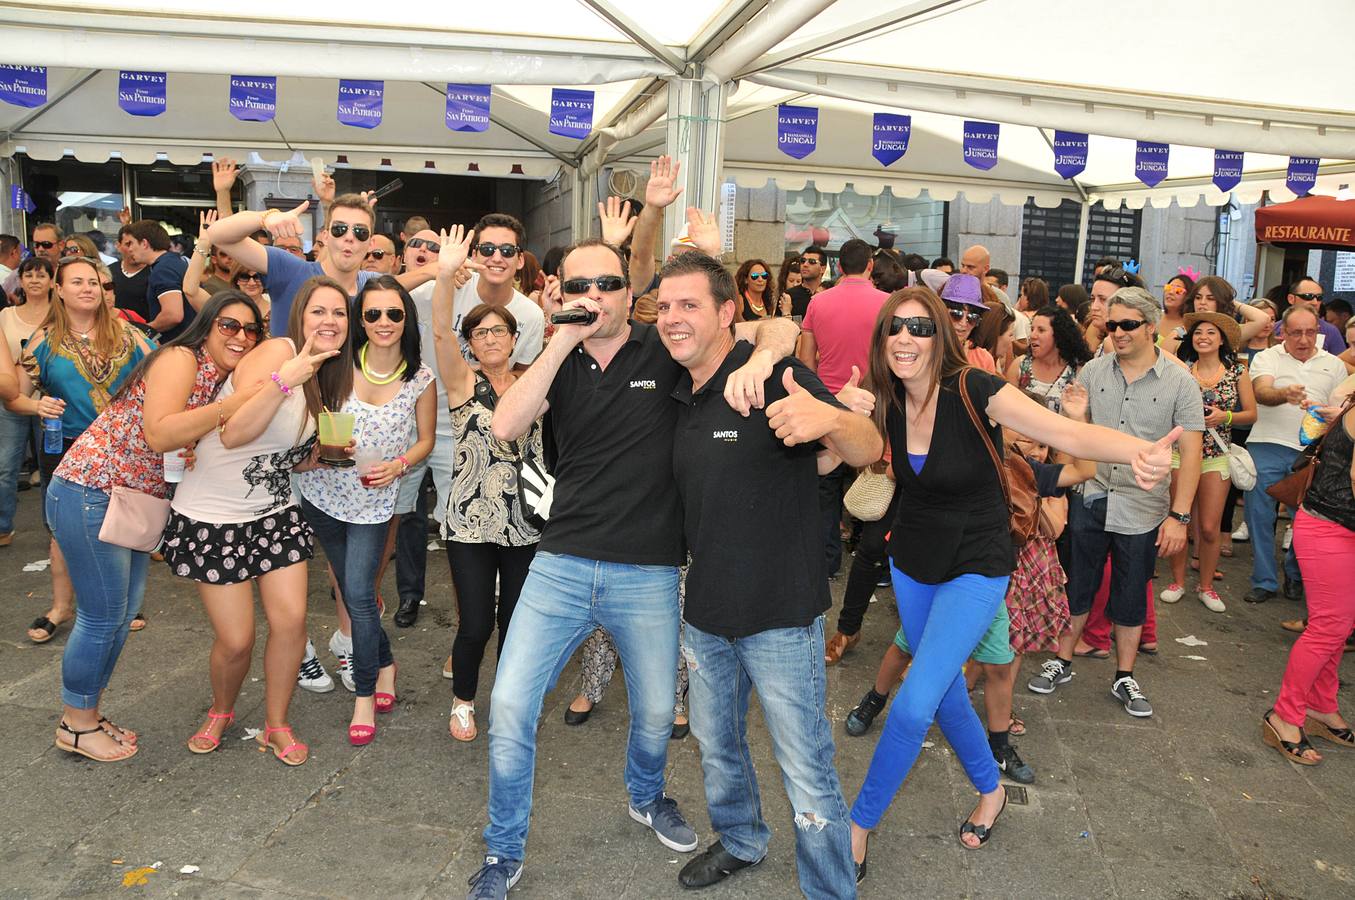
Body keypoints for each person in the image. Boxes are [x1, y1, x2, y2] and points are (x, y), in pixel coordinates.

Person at [471, 236, 799, 898]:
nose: (594, 297)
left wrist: (761, 354)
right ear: (560, 294)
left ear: (630, 291)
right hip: (560, 563)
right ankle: (503, 852)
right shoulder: (555, 358)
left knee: (655, 713)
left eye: (608, 284)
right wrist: (561, 339)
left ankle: (646, 797)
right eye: (579, 286)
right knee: (508, 705)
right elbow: (505, 425)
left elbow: (784, 325)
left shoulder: (666, 345)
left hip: (647, 569)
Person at [849, 285, 1175, 879]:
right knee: (945, 689)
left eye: (921, 328)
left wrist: (1139, 451)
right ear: (882, 338)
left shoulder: (975, 388)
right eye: (895, 327)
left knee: (915, 702)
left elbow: (1068, 435)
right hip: (914, 560)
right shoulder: (886, 397)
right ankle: (990, 789)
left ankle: (856, 827)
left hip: (978, 561)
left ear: (941, 337)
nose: (905, 338)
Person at [657, 251, 881, 896]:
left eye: (690, 305)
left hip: (781, 615)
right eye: (666, 306)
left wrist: (835, 418)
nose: (674, 319)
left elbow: (866, 447)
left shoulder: (775, 374)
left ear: (728, 313)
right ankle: (742, 840)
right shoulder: (678, 390)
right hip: (705, 612)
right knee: (717, 746)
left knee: (807, 769)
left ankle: (830, 888)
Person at [166, 278, 348, 764]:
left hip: (273, 513)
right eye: (318, 312)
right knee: (237, 638)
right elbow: (233, 433)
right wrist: (287, 377)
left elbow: (280, 456)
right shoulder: (278, 354)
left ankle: (276, 725)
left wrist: (323, 457)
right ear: (299, 318)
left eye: (339, 313)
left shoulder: (328, 377)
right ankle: (221, 710)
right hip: (213, 516)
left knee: (290, 623)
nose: (329, 321)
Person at [1028, 287, 1204, 718]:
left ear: (1150, 327)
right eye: (1112, 325)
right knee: (1076, 584)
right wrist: (1074, 430)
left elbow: (1194, 454)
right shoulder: (1092, 372)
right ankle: (1062, 660)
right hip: (1091, 496)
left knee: (1130, 593)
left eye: (1128, 325)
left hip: (1142, 507)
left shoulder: (1180, 382)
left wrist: (1179, 518)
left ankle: (1125, 674)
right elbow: (1075, 436)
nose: (1118, 333)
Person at [13, 257, 156, 761]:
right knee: (100, 613)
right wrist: (35, 406)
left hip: (134, 474)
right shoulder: (42, 341)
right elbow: (14, 392)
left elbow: (161, 375)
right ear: (58, 287)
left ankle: (88, 714)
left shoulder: (130, 334)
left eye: (95, 281)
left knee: (118, 612)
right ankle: (75, 723)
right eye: (77, 280)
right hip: (81, 469)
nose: (89, 288)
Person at [297, 274, 435, 745]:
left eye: (393, 313)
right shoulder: (334, 364)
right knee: (354, 596)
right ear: (360, 318)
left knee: (358, 593)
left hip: (374, 503)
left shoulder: (420, 377)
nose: (383, 322)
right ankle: (387, 663)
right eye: (372, 313)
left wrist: (397, 466)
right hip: (322, 496)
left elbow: (426, 441)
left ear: (406, 319)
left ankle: (364, 693)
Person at [429, 228, 542, 742]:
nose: (492, 338)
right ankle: (463, 700)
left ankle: (512, 700)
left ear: (515, 339)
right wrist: (445, 276)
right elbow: (438, 335)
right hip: (470, 521)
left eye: (501, 331)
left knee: (518, 622)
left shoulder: (537, 383)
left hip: (526, 523)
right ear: (471, 343)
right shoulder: (460, 382)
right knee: (476, 622)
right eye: (482, 333)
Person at [1261, 384, 1355, 765]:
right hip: (1329, 527)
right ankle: (1284, 715)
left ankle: (1320, 704)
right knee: (1329, 627)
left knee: (1337, 624)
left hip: (1339, 526)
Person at [1242, 305, 1349, 603]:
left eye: (1310, 332)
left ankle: (1295, 573)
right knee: (1259, 517)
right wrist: (1284, 394)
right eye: (1296, 332)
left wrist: (1330, 414)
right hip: (1266, 445)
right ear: (1282, 333)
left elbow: (1341, 413)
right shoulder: (1267, 357)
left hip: (1312, 454)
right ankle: (1264, 580)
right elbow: (1262, 391)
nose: (1304, 339)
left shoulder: (1334, 365)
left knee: (1306, 521)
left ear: (1319, 332)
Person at [799, 238, 889, 582]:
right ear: (870, 266)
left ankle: (826, 560)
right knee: (878, 483)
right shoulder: (887, 304)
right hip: (875, 404)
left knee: (826, 487)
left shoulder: (818, 303)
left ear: (838, 267)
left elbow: (805, 361)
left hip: (828, 403)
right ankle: (873, 562)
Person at [1160, 312, 1256, 612]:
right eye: (1198, 332)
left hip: (1217, 456)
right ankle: (1177, 581)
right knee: (1180, 520)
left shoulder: (1238, 372)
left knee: (1211, 528)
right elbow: (1159, 349)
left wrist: (1224, 416)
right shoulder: (1181, 370)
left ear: (1222, 339)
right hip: (1181, 454)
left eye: (1211, 333)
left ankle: (1206, 587)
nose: (1203, 337)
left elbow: (1251, 414)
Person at [0, 257, 53, 554]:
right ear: (20, 280)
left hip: (50, 401)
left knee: (50, 468)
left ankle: (54, 528)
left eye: (41, 275)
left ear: (51, 282)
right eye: (29, 274)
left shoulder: (60, 316)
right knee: (5, 466)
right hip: (10, 400)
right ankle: (3, 526)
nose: (34, 280)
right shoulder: (5, 316)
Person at [1005, 305, 1092, 412]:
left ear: (1058, 335)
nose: (1033, 335)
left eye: (1041, 330)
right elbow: (1006, 409)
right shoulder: (1019, 366)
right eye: (1032, 329)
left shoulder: (1078, 371)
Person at [121, 220, 194, 342]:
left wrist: (143, 330)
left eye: (131, 243)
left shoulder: (163, 269)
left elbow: (173, 315)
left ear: (144, 243)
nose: (130, 249)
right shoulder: (175, 262)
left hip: (178, 345)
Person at [1277, 278, 1347, 354]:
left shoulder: (1331, 331)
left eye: (1319, 297)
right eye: (1308, 296)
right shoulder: (1273, 329)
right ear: (1291, 299)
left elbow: (1341, 363)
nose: (1315, 302)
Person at [112, 224, 152, 321]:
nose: (132, 249)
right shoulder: (109, 271)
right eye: (128, 244)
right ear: (118, 246)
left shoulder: (154, 272)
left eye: (138, 244)